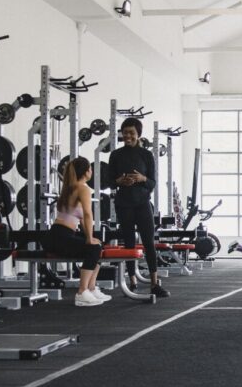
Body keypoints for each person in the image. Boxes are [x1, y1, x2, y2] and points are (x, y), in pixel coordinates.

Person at [109, 116, 168, 298]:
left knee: (149, 242)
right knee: (128, 243)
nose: (127, 136)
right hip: (124, 204)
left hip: (142, 203)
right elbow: (110, 182)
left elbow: (152, 183)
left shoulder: (147, 155)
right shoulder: (115, 155)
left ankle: (154, 283)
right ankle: (132, 282)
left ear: (138, 134)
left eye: (131, 133)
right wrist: (120, 181)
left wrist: (142, 178)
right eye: (125, 132)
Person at [41, 156, 108, 307]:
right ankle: (82, 292)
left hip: (56, 235)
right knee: (93, 248)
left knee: (98, 245)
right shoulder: (83, 188)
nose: (91, 171)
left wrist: (90, 237)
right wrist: (89, 239)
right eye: (90, 168)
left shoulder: (69, 188)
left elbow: (83, 220)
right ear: (86, 172)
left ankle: (91, 288)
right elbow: (88, 214)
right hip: (60, 237)